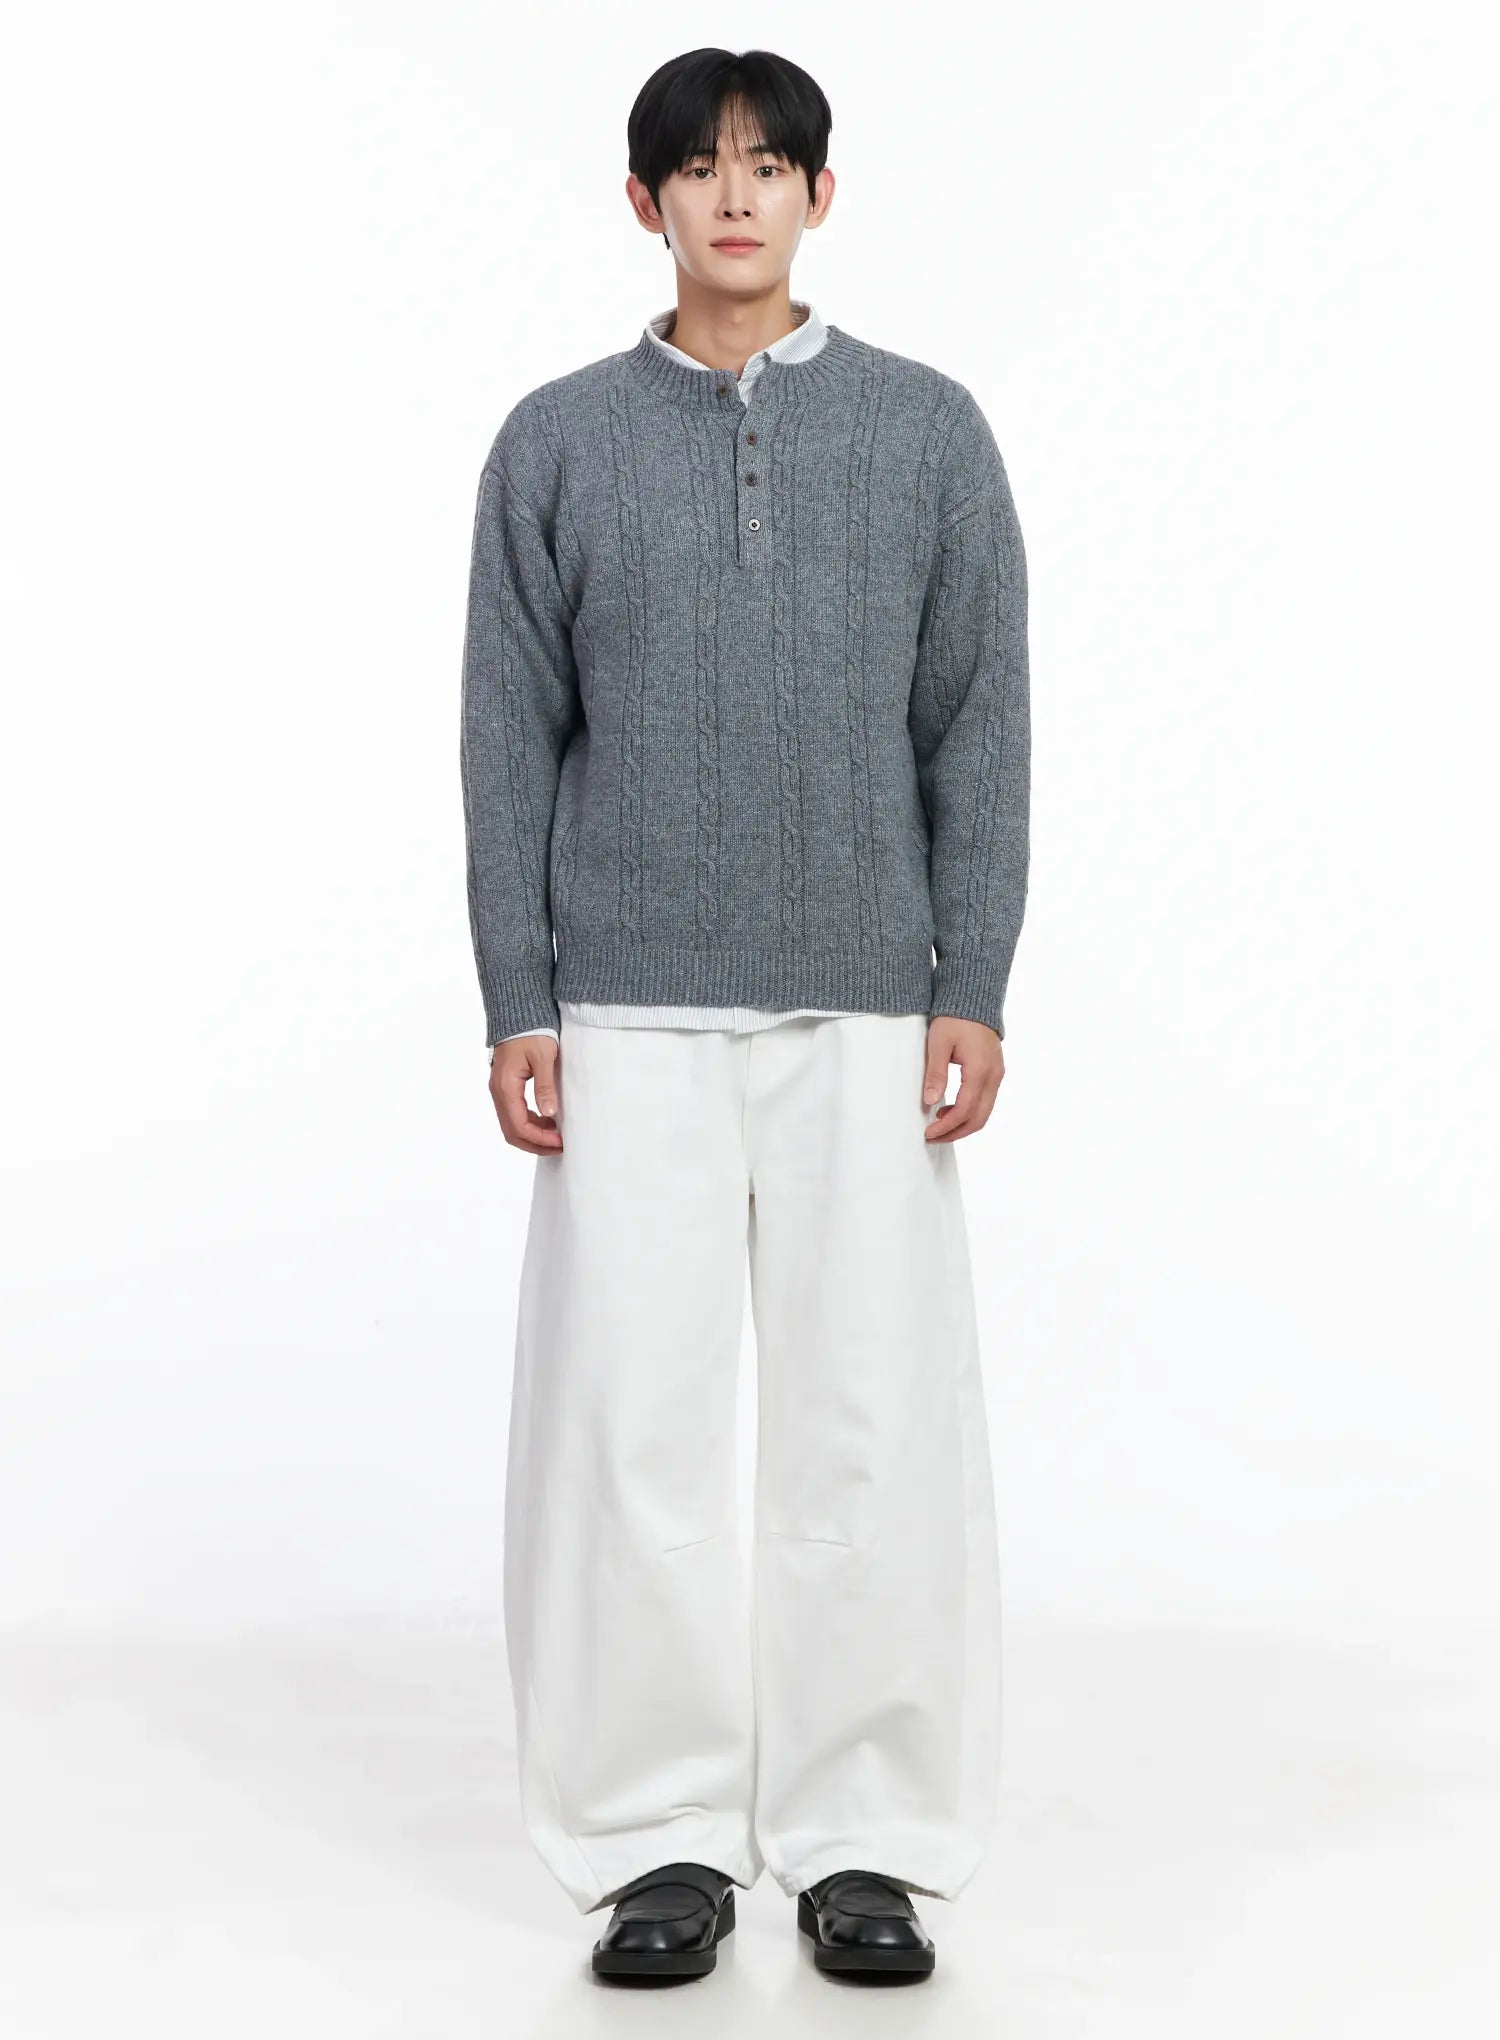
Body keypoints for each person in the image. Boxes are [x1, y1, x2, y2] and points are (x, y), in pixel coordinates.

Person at [459, 45, 1030, 1985]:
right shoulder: (554, 443)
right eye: (698, 169)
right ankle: (657, 1845)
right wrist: (518, 994)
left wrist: (976, 980)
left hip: (869, 1004)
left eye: (769, 165)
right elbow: (506, 742)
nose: (734, 196)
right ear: (644, 204)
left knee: (872, 1430)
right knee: (632, 1439)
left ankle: (869, 1841)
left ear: (819, 196)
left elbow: (980, 725)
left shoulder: (928, 434)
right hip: (625, 1008)